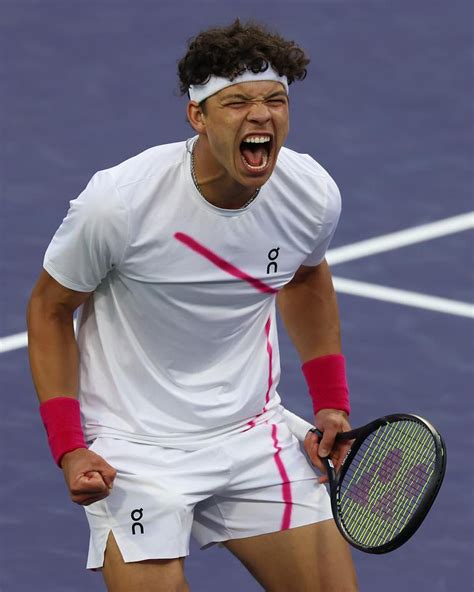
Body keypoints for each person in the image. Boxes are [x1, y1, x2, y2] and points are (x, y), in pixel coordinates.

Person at [27, 19, 358, 592]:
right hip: (136, 452)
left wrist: (330, 404)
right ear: (197, 116)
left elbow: (306, 278)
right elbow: (50, 310)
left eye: (275, 100)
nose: (261, 116)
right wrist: (69, 446)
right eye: (237, 103)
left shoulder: (310, 193)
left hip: (254, 434)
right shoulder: (120, 204)